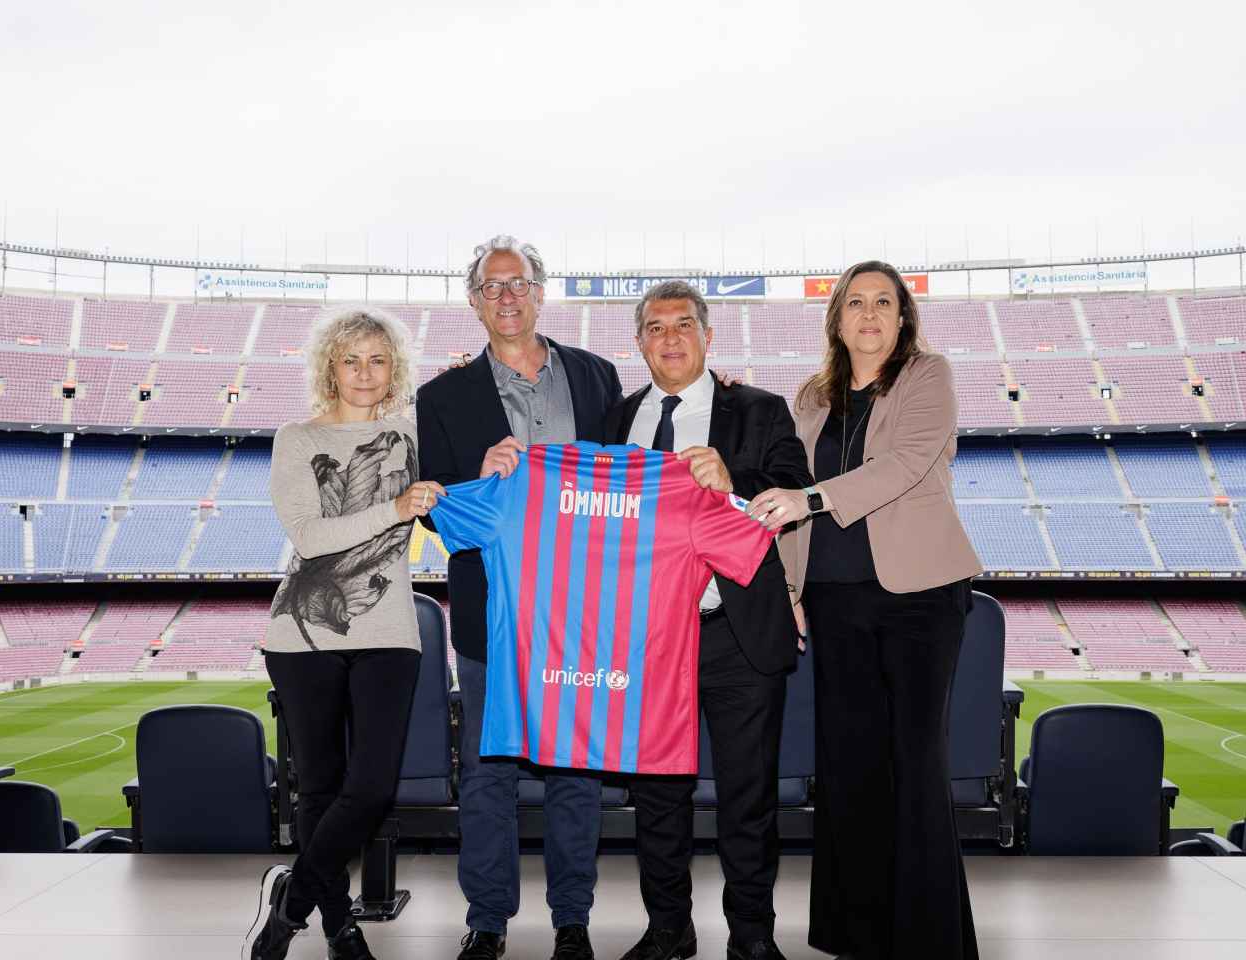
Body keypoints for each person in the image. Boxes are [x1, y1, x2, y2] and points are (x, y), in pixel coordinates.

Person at [748, 261, 985, 960]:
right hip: (835, 597)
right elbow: (788, 493)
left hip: (920, 597)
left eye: (885, 302)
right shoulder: (813, 397)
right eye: (856, 303)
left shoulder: (928, 376)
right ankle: (854, 932)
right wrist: (791, 589)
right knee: (846, 766)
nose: (871, 314)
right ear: (837, 320)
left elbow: (907, 463)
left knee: (915, 759)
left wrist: (812, 499)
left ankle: (930, 939)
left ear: (903, 316)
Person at [416, 235, 621, 960]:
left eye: (519, 283)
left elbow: (629, 481)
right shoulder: (439, 397)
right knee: (487, 775)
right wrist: (476, 476)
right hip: (491, 617)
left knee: (575, 773)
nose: (507, 296)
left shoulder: (599, 378)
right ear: (474, 302)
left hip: (580, 615)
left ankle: (573, 918)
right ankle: (489, 920)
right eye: (491, 286)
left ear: (541, 292)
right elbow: (433, 509)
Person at [603, 281, 811, 960]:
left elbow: (793, 493)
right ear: (639, 342)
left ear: (708, 336)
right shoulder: (614, 418)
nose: (670, 338)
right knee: (658, 799)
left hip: (735, 632)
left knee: (747, 800)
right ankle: (669, 930)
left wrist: (736, 481)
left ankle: (751, 938)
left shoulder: (758, 409)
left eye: (684, 325)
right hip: (645, 640)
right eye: (655, 327)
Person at [246, 308, 446, 960]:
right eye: (351, 358)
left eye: (378, 359)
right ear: (330, 364)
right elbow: (309, 537)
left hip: (389, 628)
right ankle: (340, 928)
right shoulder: (296, 438)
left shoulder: (413, 437)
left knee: (371, 787)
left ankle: (292, 901)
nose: (364, 372)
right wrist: (396, 507)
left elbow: (464, 488)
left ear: (396, 369)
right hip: (302, 634)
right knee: (321, 787)